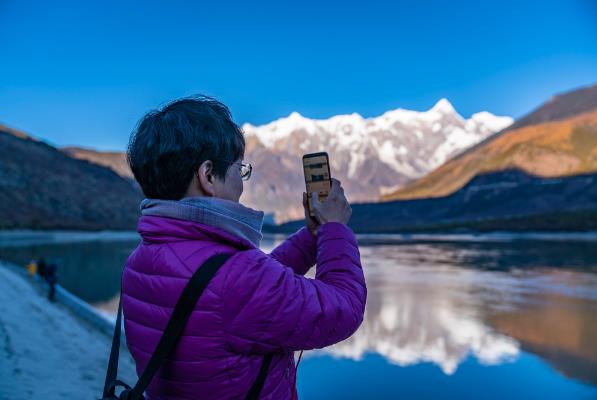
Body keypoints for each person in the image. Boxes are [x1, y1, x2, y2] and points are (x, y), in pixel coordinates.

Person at [122, 96, 367, 399]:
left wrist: (312, 236)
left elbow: (247, 291)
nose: (242, 182)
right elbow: (343, 309)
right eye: (240, 169)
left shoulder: (140, 259)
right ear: (208, 175)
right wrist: (335, 230)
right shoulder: (236, 279)